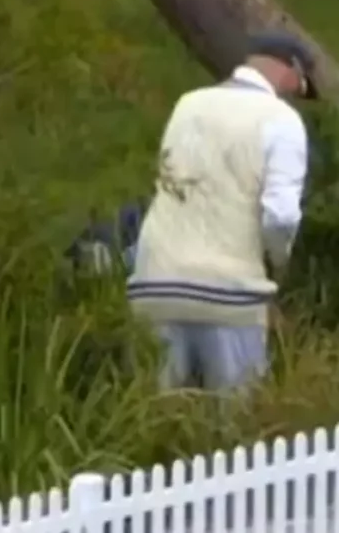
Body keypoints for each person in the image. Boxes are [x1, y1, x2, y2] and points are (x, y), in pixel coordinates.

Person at [127, 32, 317, 391]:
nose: (295, 94)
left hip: (154, 281)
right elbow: (281, 216)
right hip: (229, 293)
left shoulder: (187, 105)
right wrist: (278, 263)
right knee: (236, 426)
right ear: (292, 69)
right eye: (301, 84)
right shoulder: (280, 119)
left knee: (158, 418)